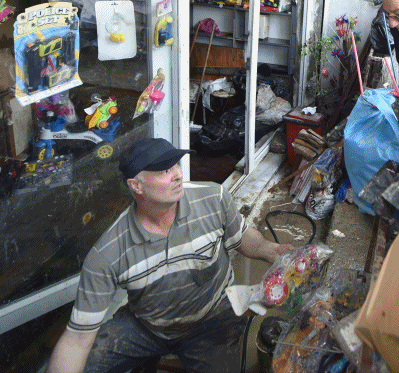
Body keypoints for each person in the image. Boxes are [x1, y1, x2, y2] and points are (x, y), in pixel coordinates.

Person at [46, 138, 294, 373]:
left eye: (176, 164)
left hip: (212, 317)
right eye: (165, 171)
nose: (178, 174)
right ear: (136, 185)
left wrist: (271, 250)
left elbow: (241, 237)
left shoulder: (213, 198)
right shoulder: (107, 253)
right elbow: (77, 339)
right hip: (146, 327)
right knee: (89, 361)